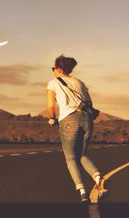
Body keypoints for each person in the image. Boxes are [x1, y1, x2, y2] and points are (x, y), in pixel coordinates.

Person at [46, 55, 107, 204]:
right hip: (87, 120)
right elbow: (90, 103)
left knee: (71, 158)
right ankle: (98, 177)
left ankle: (83, 193)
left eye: (54, 68)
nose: (53, 71)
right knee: (82, 155)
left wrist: (52, 118)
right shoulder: (80, 82)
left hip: (69, 120)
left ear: (59, 69)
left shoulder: (53, 83)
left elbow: (50, 106)